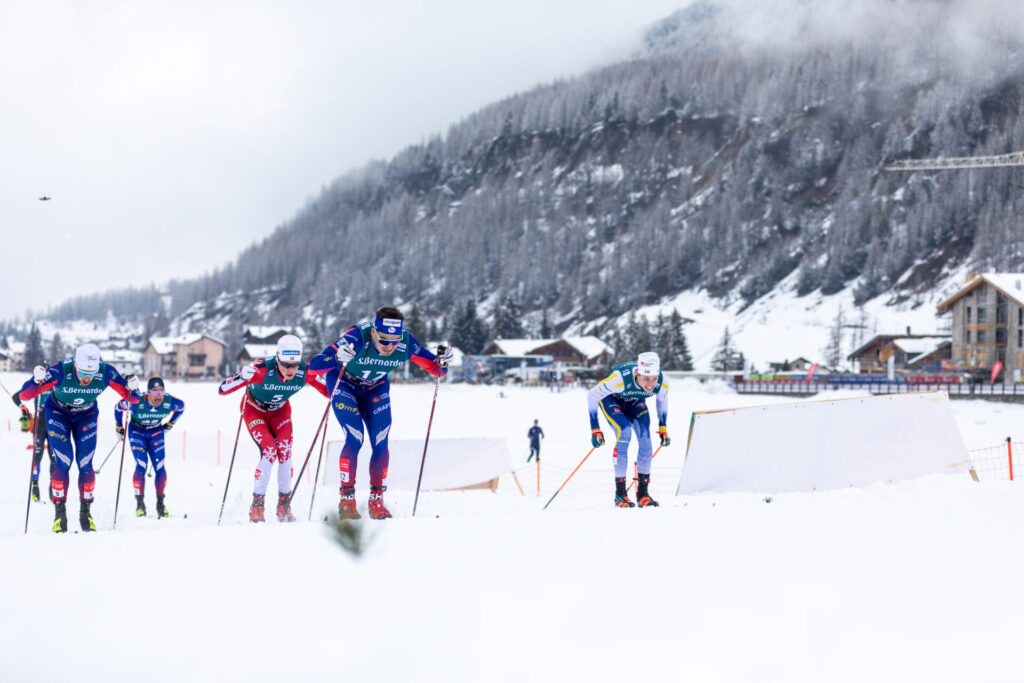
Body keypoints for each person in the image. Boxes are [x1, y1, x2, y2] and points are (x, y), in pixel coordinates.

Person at [309, 306, 453, 520]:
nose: (389, 347)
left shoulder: (406, 342)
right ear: (374, 333)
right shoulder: (357, 336)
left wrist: (443, 360)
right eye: (384, 340)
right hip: (344, 383)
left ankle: (377, 500)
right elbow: (314, 366)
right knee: (355, 437)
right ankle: (347, 500)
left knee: (381, 440)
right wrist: (337, 358)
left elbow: (437, 369)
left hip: (375, 388)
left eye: (394, 342)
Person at [12, 344, 140, 532]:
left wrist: (132, 387)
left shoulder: (105, 372)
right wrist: (35, 378)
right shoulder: (61, 370)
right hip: (57, 413)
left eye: (91, 373)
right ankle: (60, 514)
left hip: (86, 416)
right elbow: (25, 394)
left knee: (85, 463)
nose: (87, 378)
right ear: (75, 366)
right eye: (82, 372)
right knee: (64, 461)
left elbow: (134, 399)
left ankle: (85, 512)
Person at [218, 335, 330, 523]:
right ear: (277, 359)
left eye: (294, 365)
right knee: (269, 450)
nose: (290, 370)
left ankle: (284, 505)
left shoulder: (306, 371)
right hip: (254, 410)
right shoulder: (262, 369)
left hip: (280, 411)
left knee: (285, 450)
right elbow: (222, 389)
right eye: (286, 364)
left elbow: (330, 391)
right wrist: (241, 377)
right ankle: (257, 506)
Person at [586, 351, 670, 508]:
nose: (651, 384)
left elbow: (662, 401)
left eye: (654, 378)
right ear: (638, 373)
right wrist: (595, 429)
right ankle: (620, 494)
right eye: (646, 379)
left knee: (645, 439)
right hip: (612, 400)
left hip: (635, 402)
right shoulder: (619, 379)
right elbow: (592, 396)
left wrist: (663, 427)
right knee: (624, 432)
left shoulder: (662, 383)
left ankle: (643, 494)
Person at [114, 377, 185, 518]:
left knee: (160, 465)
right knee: (141, 465)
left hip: (156, 431)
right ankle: (140, 504)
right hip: (137, 431)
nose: (159, 396)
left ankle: (160, 504)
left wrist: (170, 424)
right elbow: (118, 408)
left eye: (161, 392)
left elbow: (181, 407)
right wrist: (119, 427)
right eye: (155, 392)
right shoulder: (136, 401)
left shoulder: (169, 402)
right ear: (148, 393)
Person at [26, 388, 57, 502]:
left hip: (52, 426)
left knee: (54, 458)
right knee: (37, 457)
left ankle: (52, 486)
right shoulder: (37, 384)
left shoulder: (55, 383)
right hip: (38, 427)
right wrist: (23, 408)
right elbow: (17, 396)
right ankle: (35, 486)